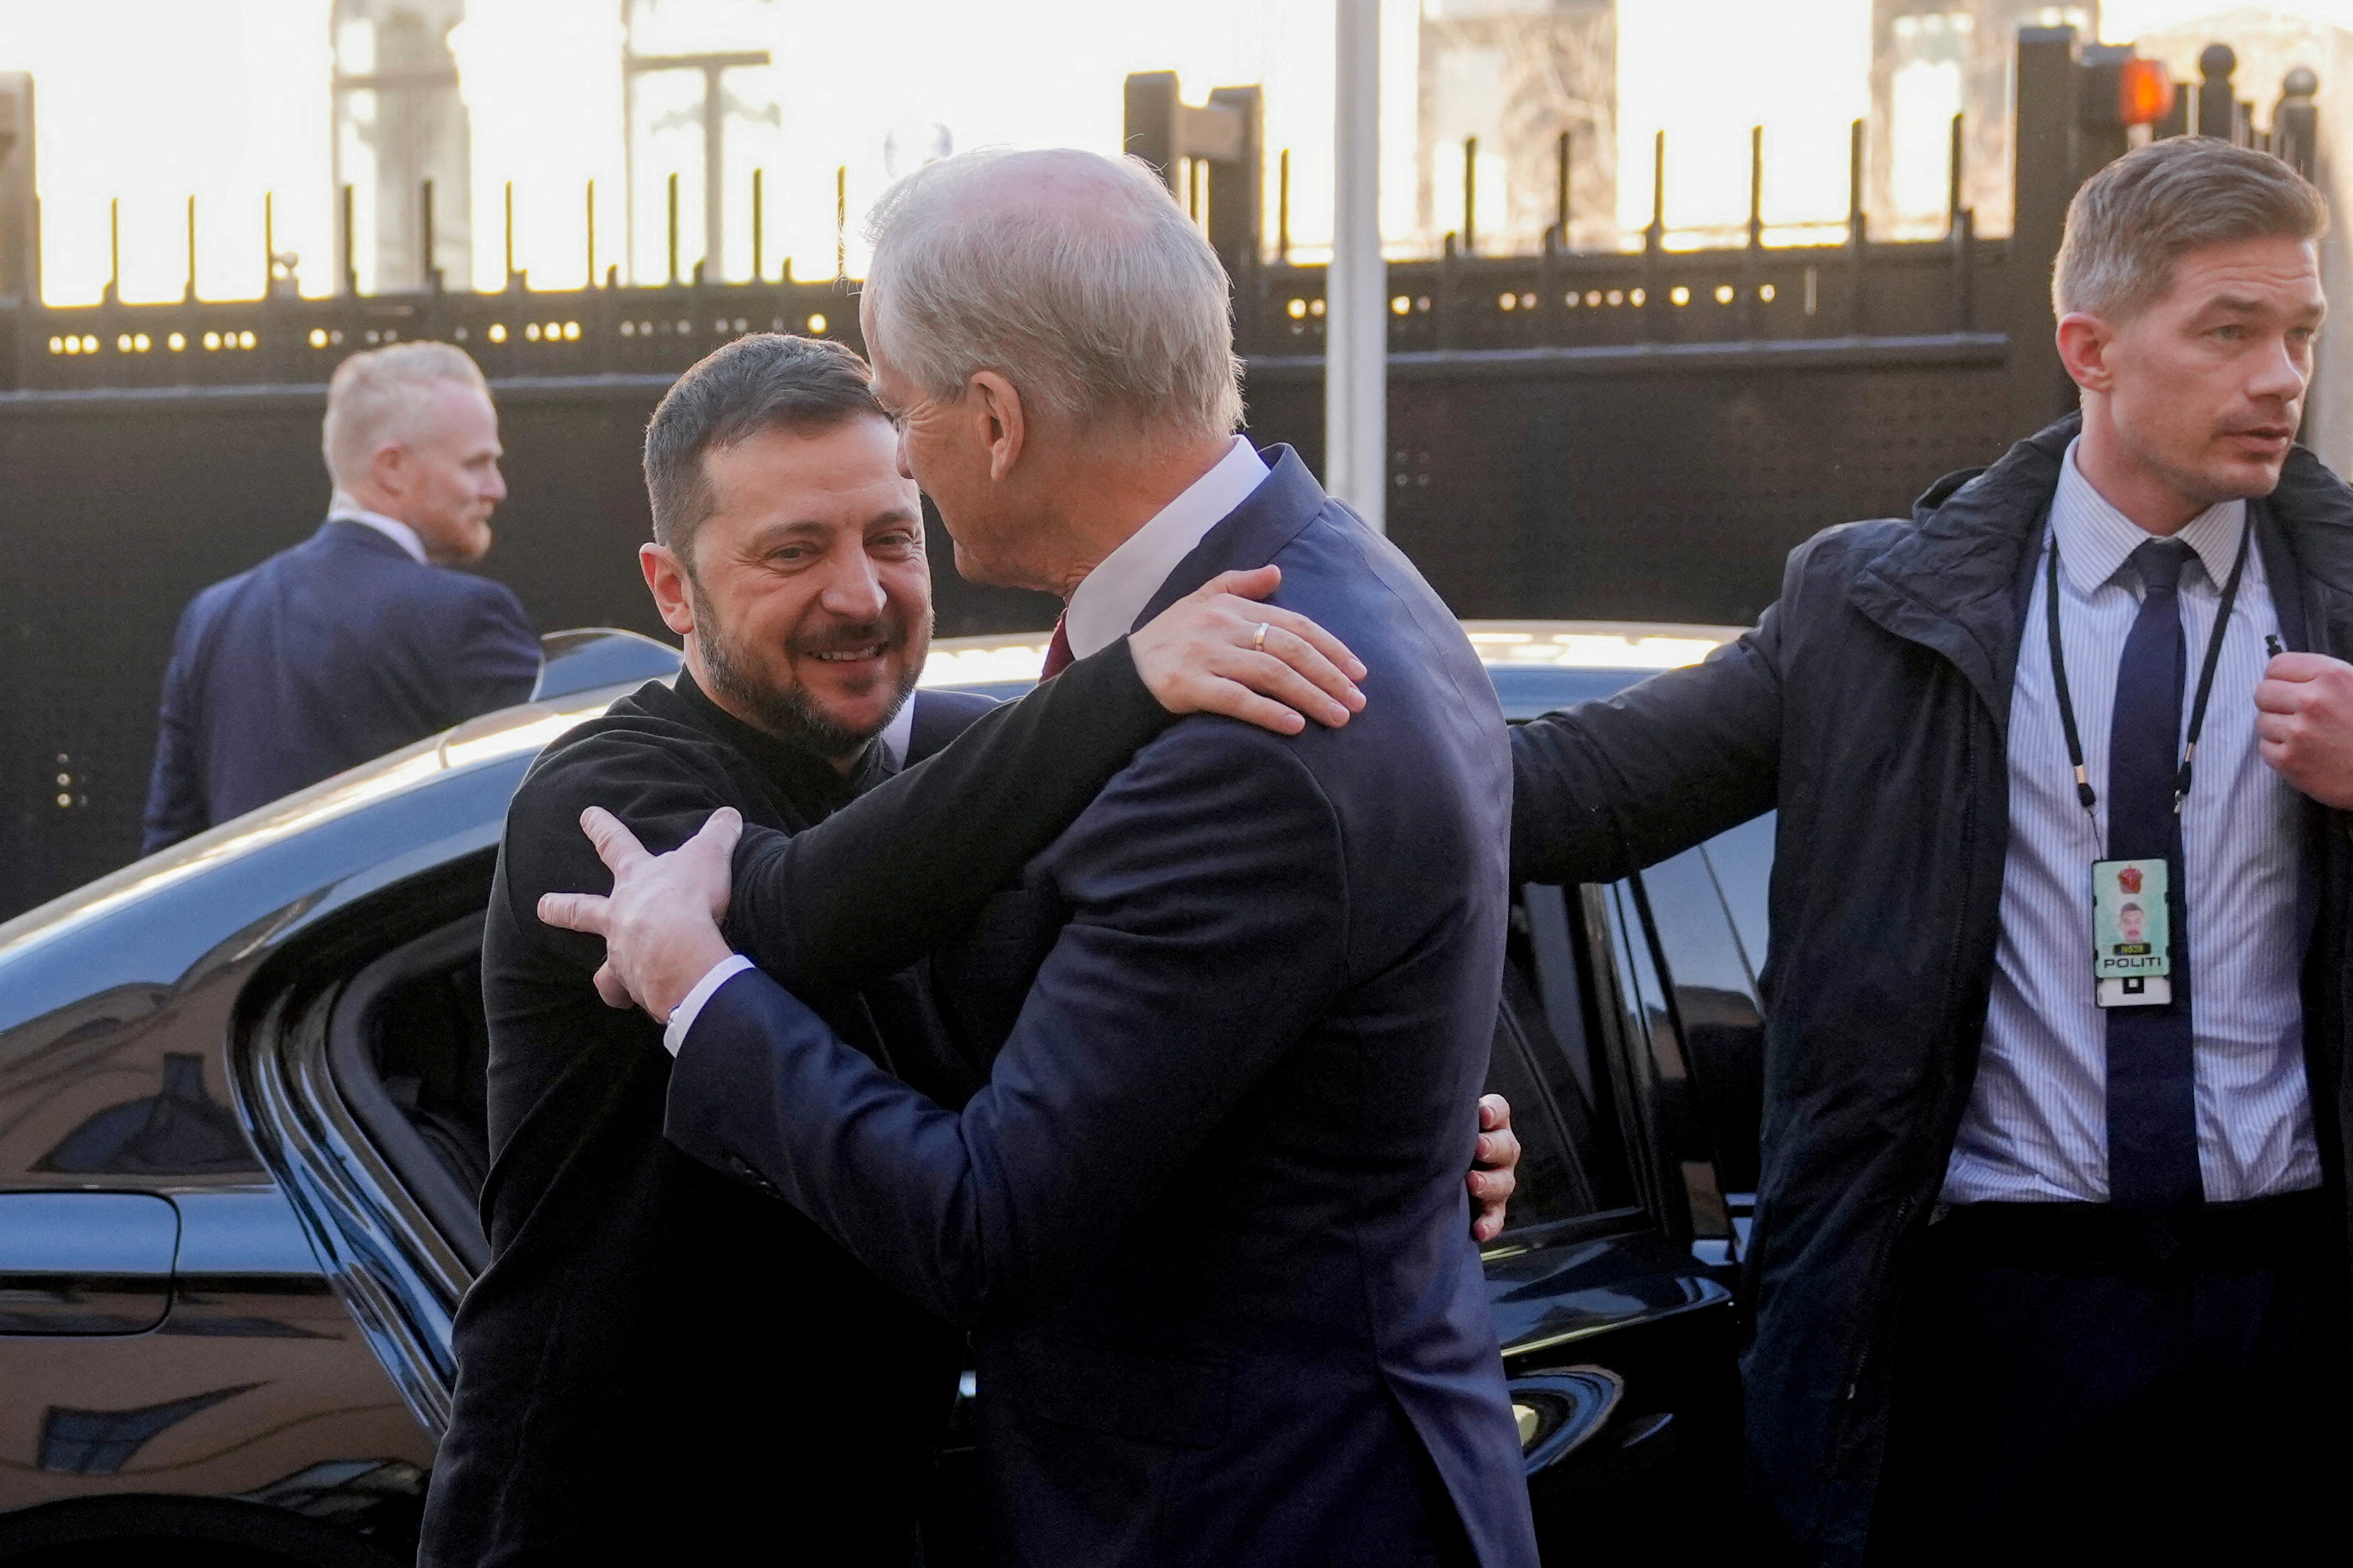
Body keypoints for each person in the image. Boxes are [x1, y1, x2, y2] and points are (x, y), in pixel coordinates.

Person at [549, 149, 1542, 1568]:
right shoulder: (1330, 580)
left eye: (901, 409)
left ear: (996, 420)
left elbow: (988, 1223)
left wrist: (698, 990)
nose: (904, 450)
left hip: (1245, 1519)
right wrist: (1376, 1122)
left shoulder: (1243, 722)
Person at [1505, 137, 2353, 1563]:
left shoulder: (2337, 602)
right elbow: (1583, 792)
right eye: (2228, 332)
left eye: (2300, 333)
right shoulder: (1872, 609)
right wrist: (1240, 713)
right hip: (1986, 1322)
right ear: (2088, 348)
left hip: (2291, 1312)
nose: (2280, 377)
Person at [140, 342, 538, 851]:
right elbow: (554, 810)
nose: (496, 488)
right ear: (391, 467)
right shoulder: (465, 616)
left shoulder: (214, 614)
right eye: (476, 464)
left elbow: (170, 852)